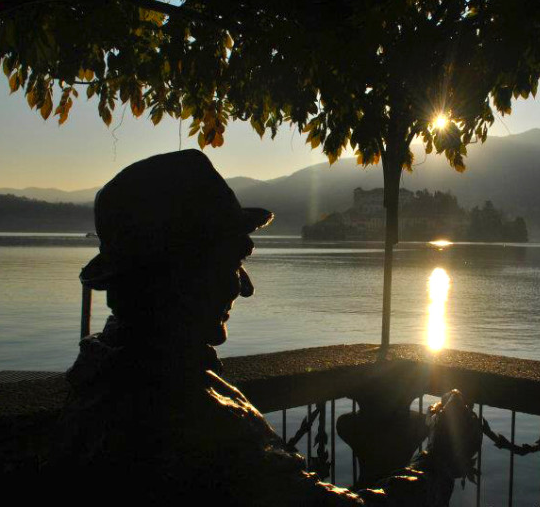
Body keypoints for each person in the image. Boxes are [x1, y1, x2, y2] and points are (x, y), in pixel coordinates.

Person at [47, 150, 481, 506]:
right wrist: (440, 461)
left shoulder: (97, 381)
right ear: (181, 274)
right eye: (232, 263)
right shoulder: (195, 423)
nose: (246, 287)